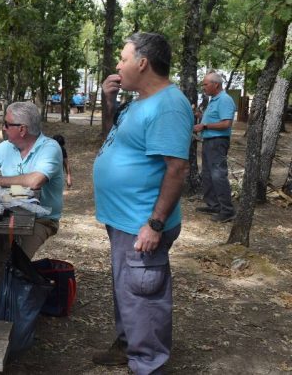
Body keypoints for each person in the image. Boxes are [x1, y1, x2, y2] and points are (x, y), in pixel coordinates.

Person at [92, 32, 193, 375]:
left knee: (144, 295)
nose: (118, 65)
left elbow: (177, 168)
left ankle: (148, 364)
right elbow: (117, 139)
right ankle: (127, 344)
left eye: (123, 58)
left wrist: (154, 224)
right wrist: (109, 102)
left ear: (143, 63)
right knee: (129, 289)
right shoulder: (139, 101)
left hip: (142, 223)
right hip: (124, 219)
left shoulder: (169, 106)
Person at [0, 102, 64, 258]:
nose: (3, 128)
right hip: (8, 213)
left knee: (14, 259)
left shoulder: (50, 148)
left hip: (41, 219)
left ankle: (14, 272)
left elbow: (36, 181)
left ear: (22, 129)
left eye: (7, 124)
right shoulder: (7, 147)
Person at [194, 71, 236, 222]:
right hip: (209, 141)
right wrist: (201, 117)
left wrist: (204, 126)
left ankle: (227, 210)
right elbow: (214, 119)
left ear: (216, 84)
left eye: (205, 84)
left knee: (218, 175)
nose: (203, 87)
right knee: (207, 174)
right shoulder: (214, 100)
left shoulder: (224, 100)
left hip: (218, 142)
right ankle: (214, 205)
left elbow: (226, 123)